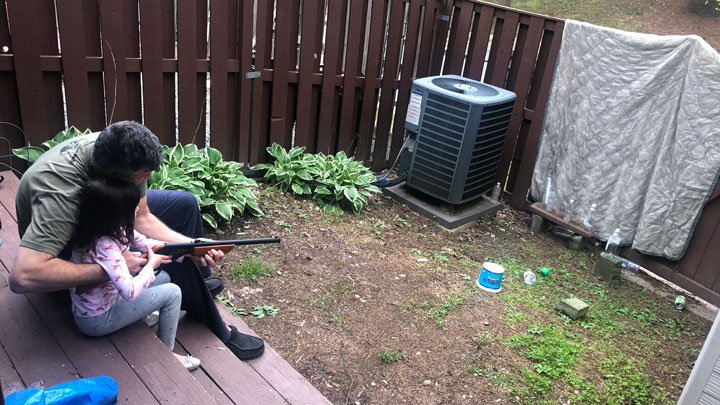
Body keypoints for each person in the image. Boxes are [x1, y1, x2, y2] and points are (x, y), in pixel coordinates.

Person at [11, 120, 265, 360]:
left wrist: (193, 244)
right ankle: (218, 328)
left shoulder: (121, 151)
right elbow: (24, 276)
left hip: (100, 206)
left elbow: (141, 217)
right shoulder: (61, 193)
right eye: (144, 174)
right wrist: (109, 270)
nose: (149, 179)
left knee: (185, 207)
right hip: (69, 248)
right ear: (114, 174)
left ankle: (200, 278)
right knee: (174, 263)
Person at [69, 176, 201, 370]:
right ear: (117, 215)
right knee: (173, 292)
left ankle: (144, 317)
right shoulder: (106, 248)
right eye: (133, 207)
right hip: (97, 320)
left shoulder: (114, 230)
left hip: (108, 301)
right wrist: (151, 264)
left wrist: (188, 250)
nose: (138, 209)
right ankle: (169, 356)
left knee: (164, 278)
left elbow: (147, 244)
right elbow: (129, 292)